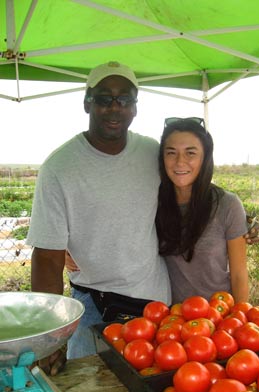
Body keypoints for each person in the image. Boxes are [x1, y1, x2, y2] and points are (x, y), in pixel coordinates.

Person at [27, 61, 172, 374]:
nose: (115, 108)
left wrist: (234, 221)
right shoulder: (59, 167)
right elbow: (48, 258)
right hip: (94, 304)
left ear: (135, 107)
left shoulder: (152, 153)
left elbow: (192, 194)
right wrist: (51, 334)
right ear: (87, 103)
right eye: (105, 98)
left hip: (155, 303)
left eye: (125, 99)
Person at [156, 117, 249, 304]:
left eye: (190, 153)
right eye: (171, 153)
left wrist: (240, 317)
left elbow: (239, 274)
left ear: (205, 157)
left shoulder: (227, 205)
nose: (180, 162)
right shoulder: (153, 202)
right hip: (171, 321)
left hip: (219, 315)